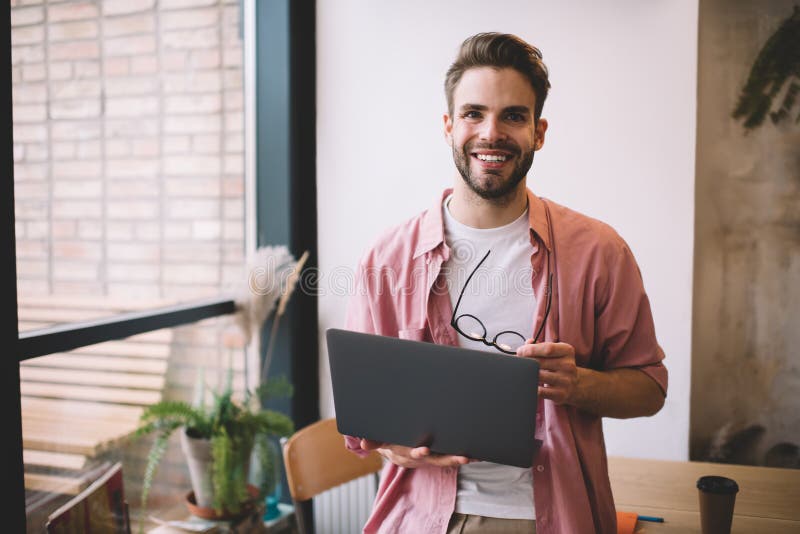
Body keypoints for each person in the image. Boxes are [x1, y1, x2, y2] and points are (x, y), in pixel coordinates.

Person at [342, 32, 668, 534]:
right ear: (449, 126)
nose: (490, 133)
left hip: (549, 517)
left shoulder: (599, 251)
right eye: (474, 113)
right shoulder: (387, 257)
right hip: (422, 517)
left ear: (539, 132)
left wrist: (579, 384)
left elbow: (649, 389)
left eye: (513, 116)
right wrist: (391, 444)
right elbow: (366, 417)